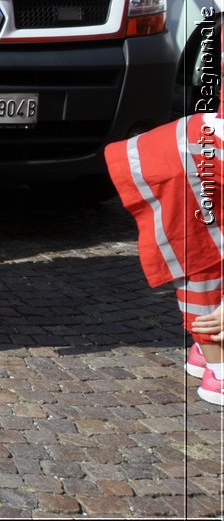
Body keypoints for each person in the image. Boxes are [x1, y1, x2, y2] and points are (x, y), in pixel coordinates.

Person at [104, 113, 224, 406]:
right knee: (199, 252)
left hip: (196, 148)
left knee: (202, 249)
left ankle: (206, 352)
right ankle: (218, 366)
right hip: (188, 160)